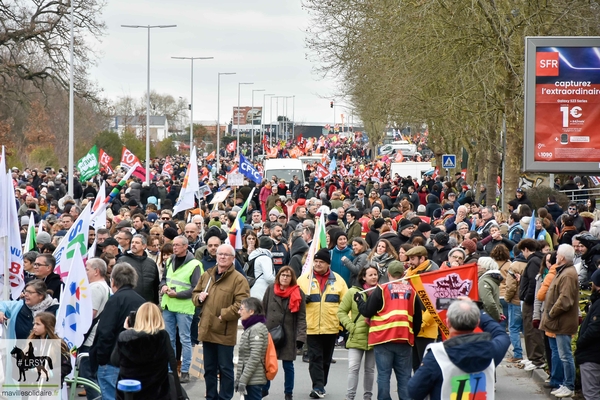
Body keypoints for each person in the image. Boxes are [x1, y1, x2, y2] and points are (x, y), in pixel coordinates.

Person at [407, 298, 510, 400]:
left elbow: (414, 391)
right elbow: (501, 335)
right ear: (477, 322)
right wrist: (479, 311)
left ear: (448, 323)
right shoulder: (491, 350)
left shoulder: (437, 356)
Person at [355, 261, 421, 400]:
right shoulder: (412, 291)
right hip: (404, 339)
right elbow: (417, 320)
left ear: (388, 274)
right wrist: (412, 335)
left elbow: (367, 311)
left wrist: (359, 301)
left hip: (383, 338)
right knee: (404, 377)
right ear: (403, 274)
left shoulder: (382, 289)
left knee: (384, 376)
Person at [192, 244, 250, 400]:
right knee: (209, 369)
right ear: (216, 256)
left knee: (225, 368)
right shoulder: (207, 275)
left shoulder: (239, 279)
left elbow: (242, 304)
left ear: (232, 259)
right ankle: (211, 396)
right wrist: (198, 298)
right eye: (220, 254)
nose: (222, 257)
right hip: (207, 329)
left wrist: (223, 315)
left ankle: (225, 397)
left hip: (224, 330)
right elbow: (195, 294)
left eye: (226, 255)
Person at [89, 262, 146, 400]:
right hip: (135, 360)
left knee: (110, 395)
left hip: (112, 360)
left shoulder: (115, 301)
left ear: (113, 281)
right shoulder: (142, 301)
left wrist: (101, 358)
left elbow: (105, 331)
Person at [297, 248, 348, 399]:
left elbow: (346, 303)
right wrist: (300, 301)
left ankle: (321, 384)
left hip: (331, 326)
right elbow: (293, 300)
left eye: (321, 262)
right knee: (315, 358)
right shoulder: (303, 280)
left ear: (328, 264)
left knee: (326, 359)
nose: (318, 264)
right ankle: (318, 386)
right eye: (316, 261)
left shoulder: (338, 280)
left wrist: (345, 323)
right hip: (311, 326)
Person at [159, 235, 202, 384]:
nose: (174, 247)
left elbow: (196, 288)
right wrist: (163, 286)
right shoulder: (170, 260)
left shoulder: (195, 264)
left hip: (184, 306)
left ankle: (185, 371)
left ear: (185, 246)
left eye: (177, 245)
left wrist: (177, 294)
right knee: (169, 339)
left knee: (184, 339)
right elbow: (164, 278)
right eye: (173, 244)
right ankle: (171, 370)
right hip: (168, 305)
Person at [111, 302, 175, 400]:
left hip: (129, 393)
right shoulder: (163, 336)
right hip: (157, 393)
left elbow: (115, 361)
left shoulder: (125, 337)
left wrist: (127, 331)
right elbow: (171, 359)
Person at [539, 244, 579, 398]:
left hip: (562, 321)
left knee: (565, 355)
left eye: (557, 255)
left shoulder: (568, 274)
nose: (555, 256)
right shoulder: (563, 271)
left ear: (561, 257)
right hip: (559, 321)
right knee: (562, 354)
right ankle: (564, 383)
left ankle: (568, 385)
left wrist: (551, 313)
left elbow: (565, 299)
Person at [262, 266, 307, 400]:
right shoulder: (271, 289)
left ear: (292, 278)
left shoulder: (298, 293)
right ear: (278, 276)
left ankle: (288, 393)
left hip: (289, 334)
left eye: (288, 275)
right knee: (268, 363)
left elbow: (301, 317)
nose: (285, 278)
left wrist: (301, 337)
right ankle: (264, 389)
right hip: (270, 332)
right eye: (283, 275)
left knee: (288, 366)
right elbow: (262, 310)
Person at [337, 265, 378, 400]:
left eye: (375, 274)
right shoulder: (353, 292)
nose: (374, 277)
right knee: (353, 369)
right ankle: (350, 397)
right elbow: (341, 311)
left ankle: (368, 397)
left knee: (370, 370)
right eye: (370, 275)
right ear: (363, 277)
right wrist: (351, 326)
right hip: (357, 335)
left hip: (374, 336)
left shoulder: (381, 292)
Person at [80, 258, 111, 400]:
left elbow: (89, 314)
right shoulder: (105, 286)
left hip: (90, 339)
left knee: (88, 376)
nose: (85, 272)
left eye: (87, 269)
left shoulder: (95, 288)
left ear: (96, 271)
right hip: (96, 336)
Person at [517, 239, 546, 371]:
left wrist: (527, 298)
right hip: (532, 300)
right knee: (530, 330)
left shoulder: (533, 261)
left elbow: (533, 283)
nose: (523, 254)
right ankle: (533, 358)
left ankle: (536, 359)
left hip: (532, 302)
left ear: (526, 249)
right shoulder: (537, 260)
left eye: (523, 251)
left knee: (532, 331)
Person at [234, 297, 270, 400]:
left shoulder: (256, 329)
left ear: (251, 311)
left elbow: (255, 357)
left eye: (241, 309)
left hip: (253, 380)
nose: (239, 312)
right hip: (250, 379)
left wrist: (243, 380)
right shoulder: (251, 327)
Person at [28, 312, 72, 386]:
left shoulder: (58, 344)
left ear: (47, 326)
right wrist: (32, 370)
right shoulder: (31, 342)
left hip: (51, 387)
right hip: (32, 386)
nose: (34, 327)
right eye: (34, 324)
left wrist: (50, 373)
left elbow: (66, 367)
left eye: (38, 324)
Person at [575, 268, 600, 400]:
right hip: (593, 354)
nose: (591, 285)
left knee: (592, 394)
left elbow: (594, 329)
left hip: (592, 355)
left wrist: (580, 343)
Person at [119, 234, 160, 304]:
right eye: (132, 242)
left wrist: (155, 303)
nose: (133, 245)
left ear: (144, 246)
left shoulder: (151, 263)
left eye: (137, 243)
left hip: (147, 304)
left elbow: (155, 286)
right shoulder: (122, 261)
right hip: (128, 302)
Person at [477, 257, 504, 322]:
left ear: (484, 267)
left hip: (486, 317)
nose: (476, 267)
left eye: (478, 265)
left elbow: (489, 302)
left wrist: (497, 316)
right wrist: (500, 313)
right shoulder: (492, 280)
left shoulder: (484, 281)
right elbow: (496, 300)